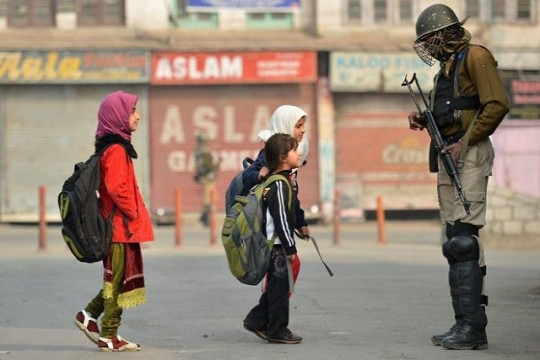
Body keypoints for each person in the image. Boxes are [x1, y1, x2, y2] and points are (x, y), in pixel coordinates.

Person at [407, 4, 509, 351]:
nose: (426, 47)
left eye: (428, 39)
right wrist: (425, 119)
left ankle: (473, 328)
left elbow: (496, 104)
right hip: (449, 152)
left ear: (442, 34)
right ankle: (463, 323)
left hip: (469, 153)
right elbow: (453, 110)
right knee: (454, 241)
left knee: (464, 240)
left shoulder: (476, 57)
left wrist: (465, 143)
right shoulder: (445, 70)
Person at [74, 91, 155, 352]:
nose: (138, 116)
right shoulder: (117, 150)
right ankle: (108, 334)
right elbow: (118, 188)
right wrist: (134, 213)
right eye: (133, 111)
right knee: (118, 282)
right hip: (119, 227)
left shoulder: (114, 147)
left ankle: (87, 315)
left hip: (119, 226)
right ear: (119, 116)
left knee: (116, 279)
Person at [243, 133, 303, 344]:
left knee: (278, 289)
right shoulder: (278, 185)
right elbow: (281, 220)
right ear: (282, 156)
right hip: (277, 247)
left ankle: (257, 319)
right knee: (279, 291)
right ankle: (277, 330)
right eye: (295, 150)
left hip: (277, 245)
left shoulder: (282, 181)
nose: (300, 153)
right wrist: (289, 246)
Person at [242, 105, 311, 239]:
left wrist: (300, 222)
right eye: (298, 126)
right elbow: (247, 176)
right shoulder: (273, 153)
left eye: (303, 125)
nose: (303, 130)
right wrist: (259, 174)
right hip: (267, 232)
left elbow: (291, 194)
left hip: (280, 230)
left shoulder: (290, 153)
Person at [194, 133, 220, 226]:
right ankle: (205, 219)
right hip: (207, 177)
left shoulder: (198, 152)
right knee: (209, 199)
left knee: (207, 198)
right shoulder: (204, 152)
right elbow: (209, 166)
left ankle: (205, 218)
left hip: (204, 177)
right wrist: (216, 165)